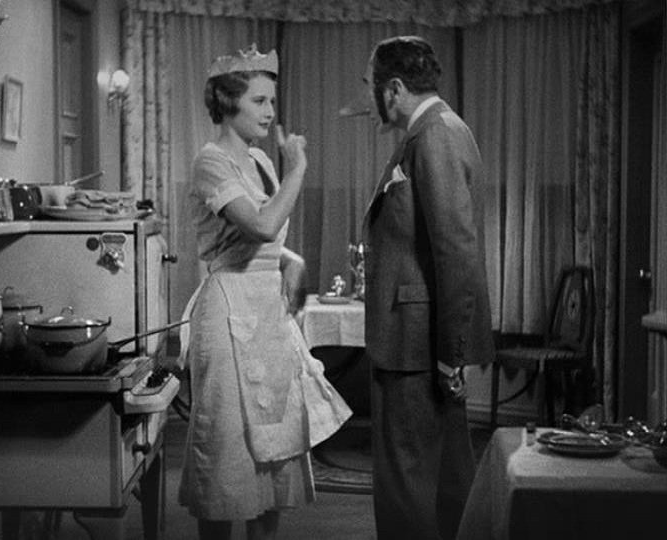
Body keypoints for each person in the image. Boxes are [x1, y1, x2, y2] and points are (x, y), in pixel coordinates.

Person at [177, 45, 351, 540]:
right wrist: (297, 169)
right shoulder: (211, 162)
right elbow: (260, 225)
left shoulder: (258, 160)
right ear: (227, 103)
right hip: (227, 311)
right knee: (225, 449)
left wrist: (291, 260)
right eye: (259, 101)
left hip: (269, 315)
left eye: (272, 100)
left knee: (273, 450)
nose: (271, 112)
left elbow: (269, 241)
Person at [360, 36, 495, 540]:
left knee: (408, 487)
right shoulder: (439, 129)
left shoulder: (433, 135)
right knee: (443, 484)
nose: (369, 97)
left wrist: (447, 356)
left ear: (393, 89)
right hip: (422, 342)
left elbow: (455, 250)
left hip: (415, 347)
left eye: (371, 86)